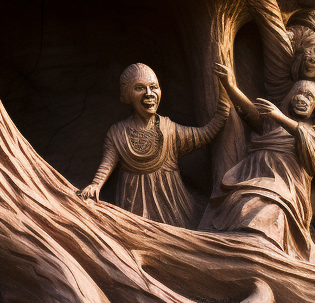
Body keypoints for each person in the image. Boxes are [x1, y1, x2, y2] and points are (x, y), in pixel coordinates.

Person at [203, 64, 315, 262]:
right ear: (290, 97)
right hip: (254, 174)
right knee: (243, 201)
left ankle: (266, 250)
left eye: (309, 97)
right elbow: (250, 110)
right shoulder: (272, 122)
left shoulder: (313, 132)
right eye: (299, 94)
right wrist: (230, 85)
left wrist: (280, 117)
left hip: (285, 184)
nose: (302, 99)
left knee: (271, 206)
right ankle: (238, 244)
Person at [78, 63, 228, 228]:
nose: (149, 94)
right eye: (139, 88)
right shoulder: (117, 133)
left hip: (174, 210)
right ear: (127, 95)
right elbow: (107, 163)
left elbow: (207, 132)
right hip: (133, 210)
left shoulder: (171, 130)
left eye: (154, 87)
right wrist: (95, 185)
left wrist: (226, 88)